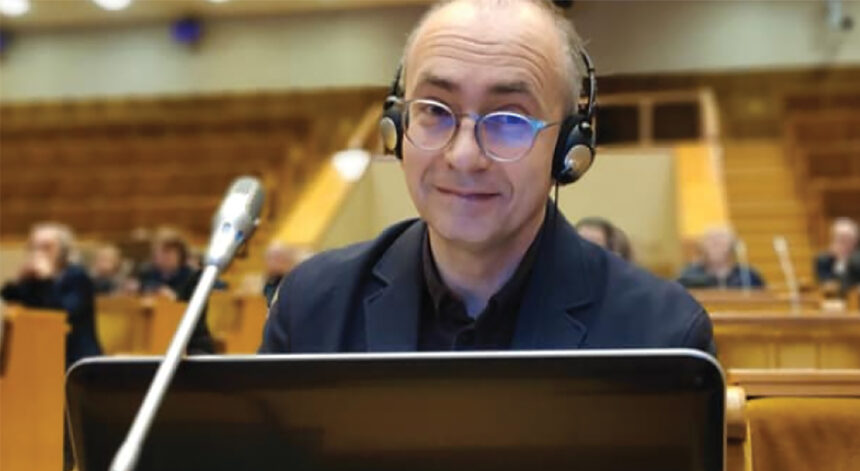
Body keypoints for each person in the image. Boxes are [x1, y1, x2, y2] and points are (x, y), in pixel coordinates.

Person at [260, 0, 714, 354]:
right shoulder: (311, 309)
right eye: (435, 110)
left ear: (566, 148)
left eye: (509, 119)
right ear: (397, 127)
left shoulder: (662, 336)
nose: (463, 156)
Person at [1, 222, 102, 368]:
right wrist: (19, 280)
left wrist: (46, 280)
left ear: (63, 251)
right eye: (33, 247)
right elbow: (8, 297)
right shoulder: (34, 280)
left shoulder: (77, 276)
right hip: (41, 356)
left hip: (77, 361)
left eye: (46, 247)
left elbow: (61, 314)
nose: (38, 253)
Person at [135, 227, 215, 354]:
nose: (164, 256)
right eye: (160, 251)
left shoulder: (192, 277)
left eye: (169, 252)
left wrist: (174, 299)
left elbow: (197, 317)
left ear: (180, 254)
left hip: (189, 341)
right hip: (150, 336)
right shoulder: (145, 275)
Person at [678, 227, 765, 289]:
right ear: (702, 247)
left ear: (732, 247)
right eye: (711, 242)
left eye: (721, 243)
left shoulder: (747, 275)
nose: (716, 247)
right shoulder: (689, 275)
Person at [814, 217, 859, 293]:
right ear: (833, 239)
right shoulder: (823, 259)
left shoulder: (858, 259)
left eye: (850, 240)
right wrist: (841, 261)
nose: (846, 244)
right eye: (842, 240)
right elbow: (826, 283)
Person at [261, 241, 312, 306]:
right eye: (269, 258)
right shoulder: (270, 281)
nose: (272, 263)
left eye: (277, 258)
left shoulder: (297, 280)